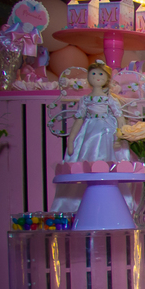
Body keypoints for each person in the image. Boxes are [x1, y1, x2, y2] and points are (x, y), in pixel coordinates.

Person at [51, 61, 131, 213]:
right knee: (87, 161)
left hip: (107, 132)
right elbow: (78, 120)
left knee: (108, 162)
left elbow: (120, 118)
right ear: (88, 77)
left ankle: (111, 204)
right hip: (89, 132)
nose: (97, 77)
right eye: (93, 74)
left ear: (107, 78)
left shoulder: (109, 99)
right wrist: (71, 140)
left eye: (100, 74)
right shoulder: (85, 100)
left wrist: (120, 137)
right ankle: (82, 205)